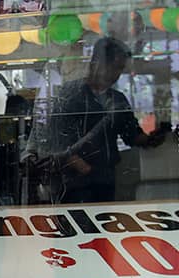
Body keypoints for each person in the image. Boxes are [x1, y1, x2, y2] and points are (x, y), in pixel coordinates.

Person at [23, 37, 168, 204]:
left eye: (120, 69)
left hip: (106, 180)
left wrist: (153, 138)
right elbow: (55, 141)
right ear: (96, 63)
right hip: (73, 183)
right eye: (113, 67)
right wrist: (82, 167)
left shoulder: (117, 99)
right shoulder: (70, 94)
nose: (116, 74)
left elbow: (131, 135)